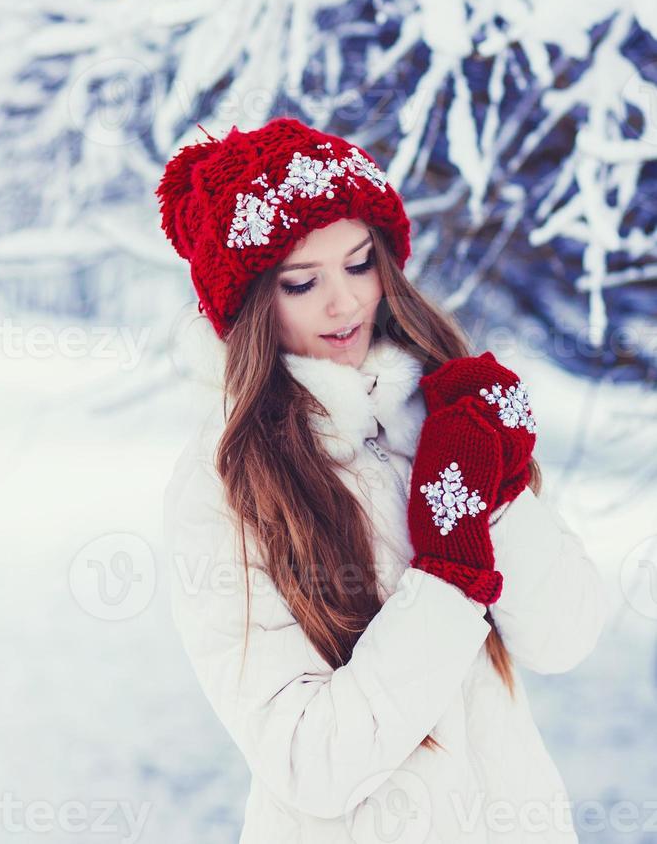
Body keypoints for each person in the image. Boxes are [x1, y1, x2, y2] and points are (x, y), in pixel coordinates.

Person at [154, 116, 608, 843]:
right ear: (248, 309)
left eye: (360, 263)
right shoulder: (226, 481)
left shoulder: (443, 411)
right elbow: (311, 760)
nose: (345, 303)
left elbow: (566, 638)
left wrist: (497, 486)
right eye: (303, 281)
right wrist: (449, 571)